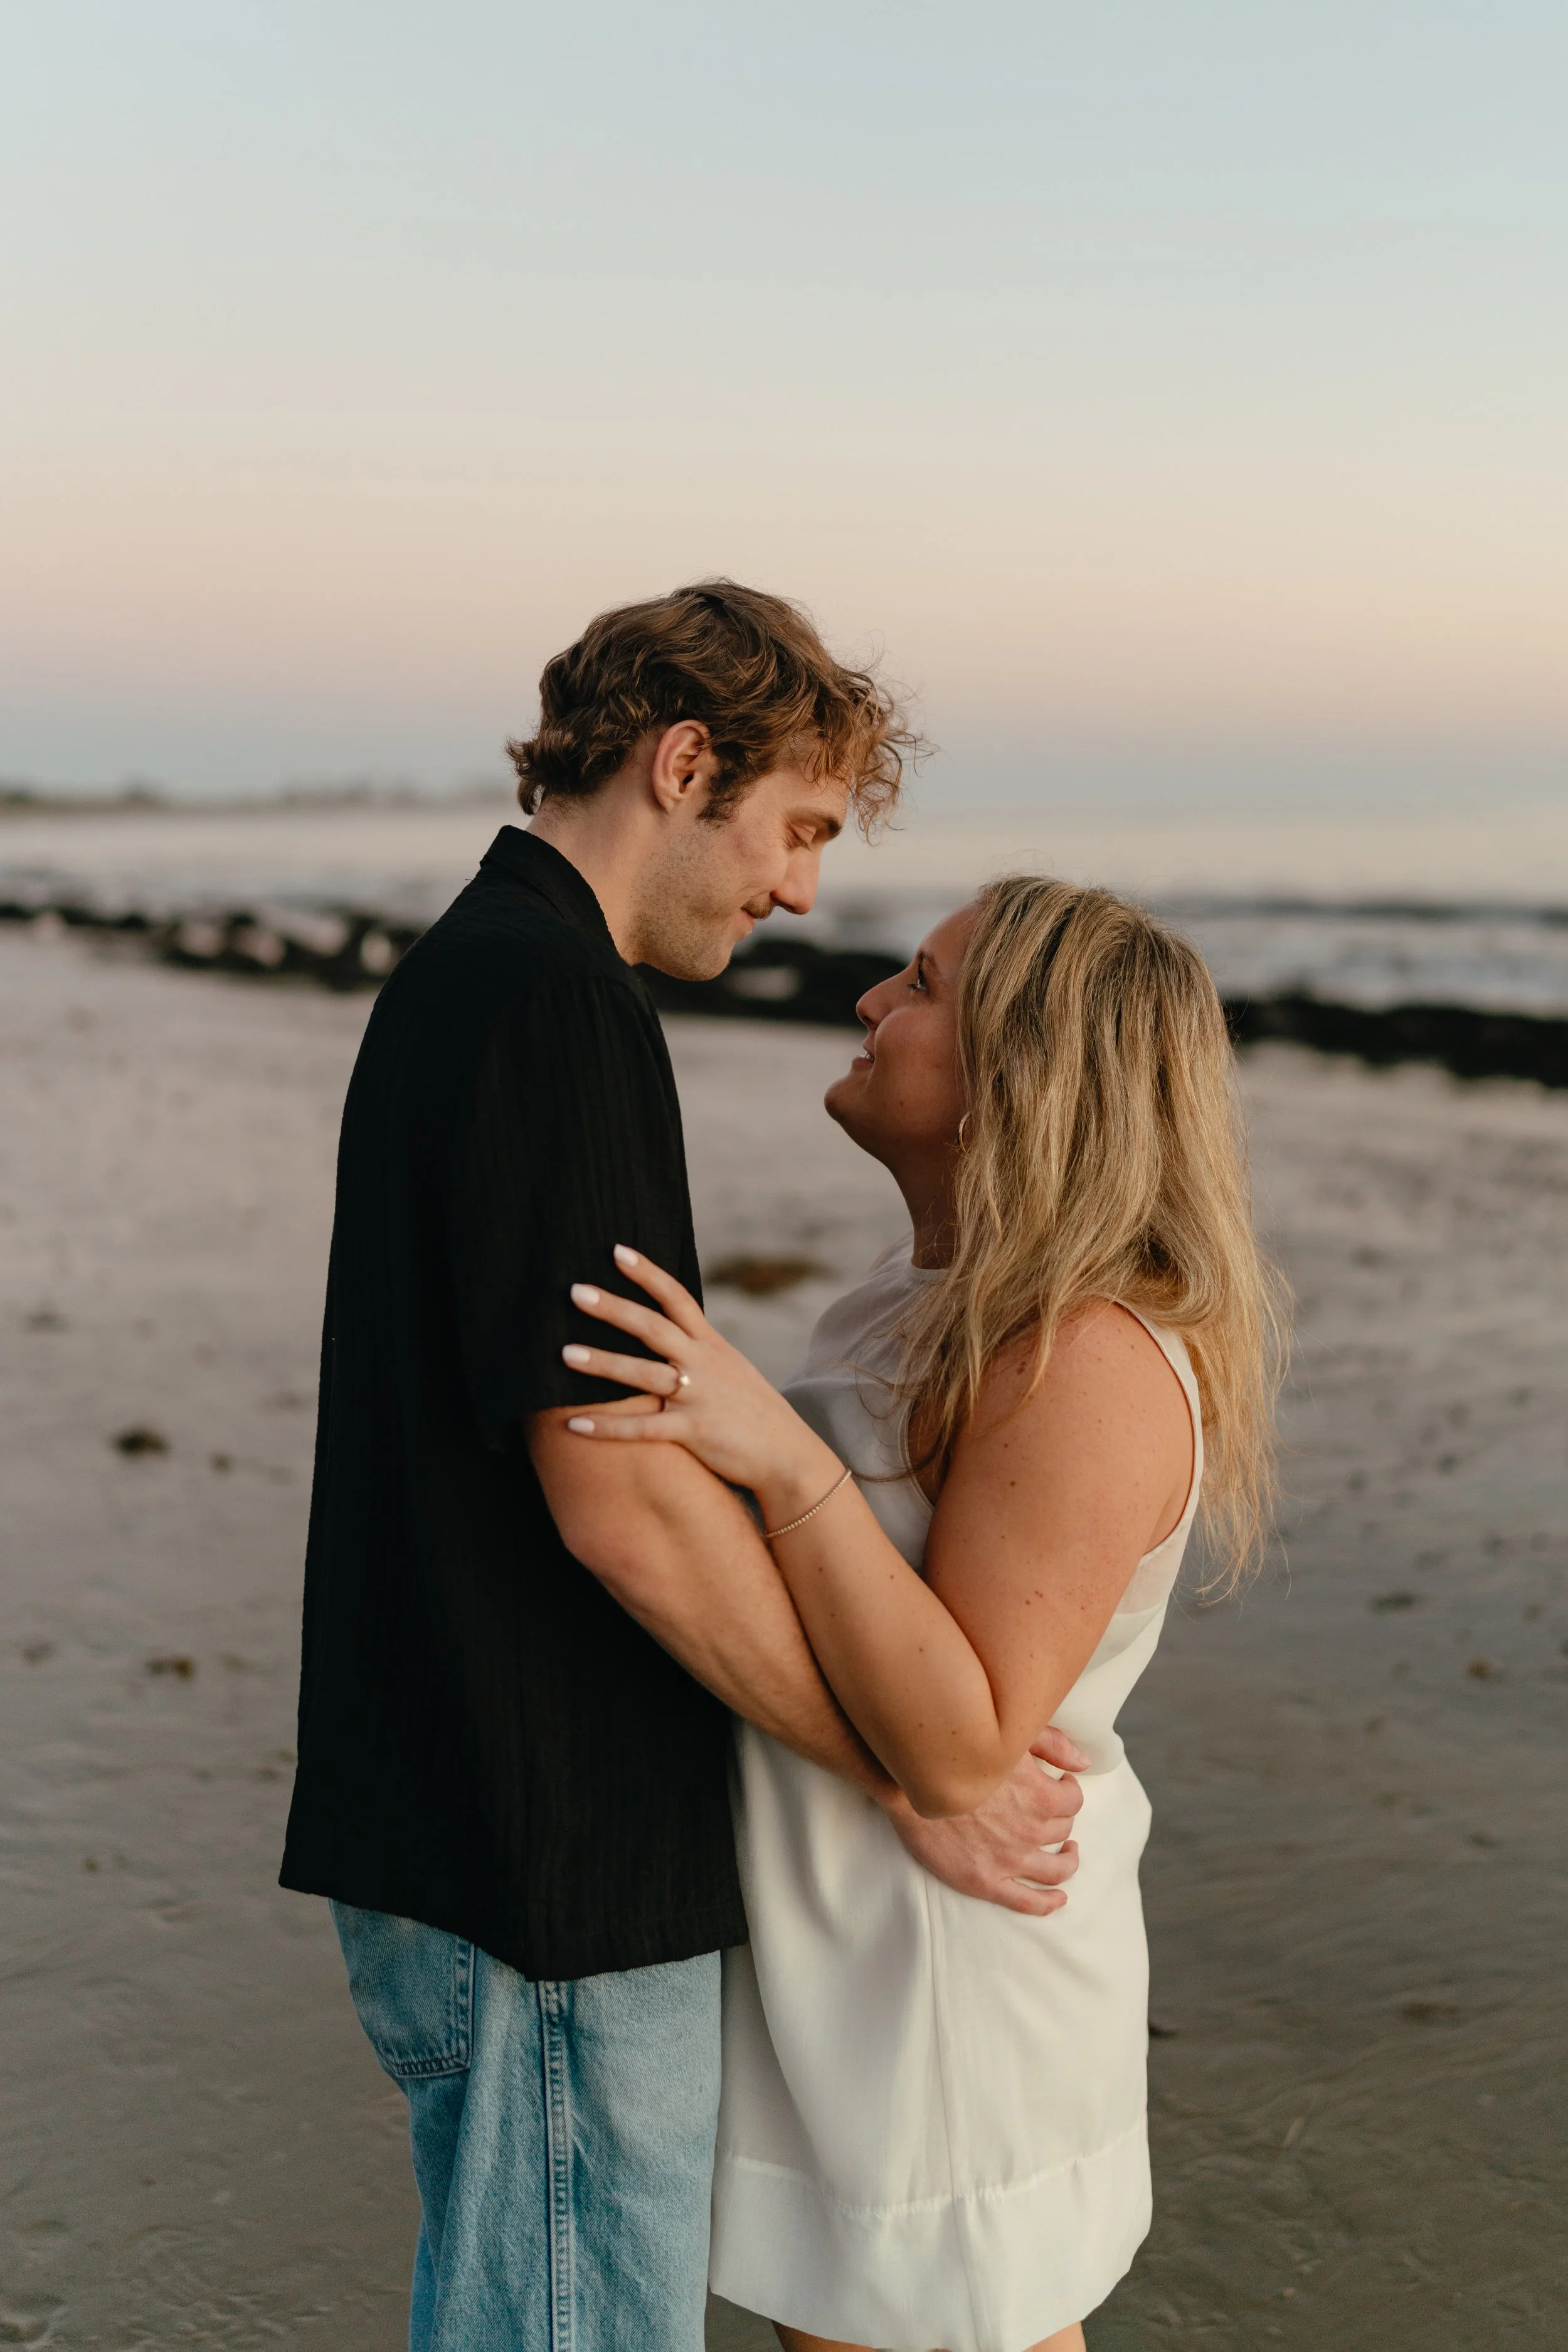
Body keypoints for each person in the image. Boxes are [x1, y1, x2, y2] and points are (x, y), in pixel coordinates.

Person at [279, 583, 1090, 2352]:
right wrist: (905, 1766)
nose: (800, 887)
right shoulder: (558, 1004)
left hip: (464, 1828)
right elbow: (624, 1493)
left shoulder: (472, 977)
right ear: (682, 760)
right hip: (539, 1851)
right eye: (796, 826)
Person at [560, 874, 1285, 2352]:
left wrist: (769, 1449)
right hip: (849, 1944)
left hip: (948, 1982)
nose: (870, 1004)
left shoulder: (1086, 1353)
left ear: (1023, 1071)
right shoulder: (922, 1296)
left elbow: (959, 1750)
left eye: (919, 985)